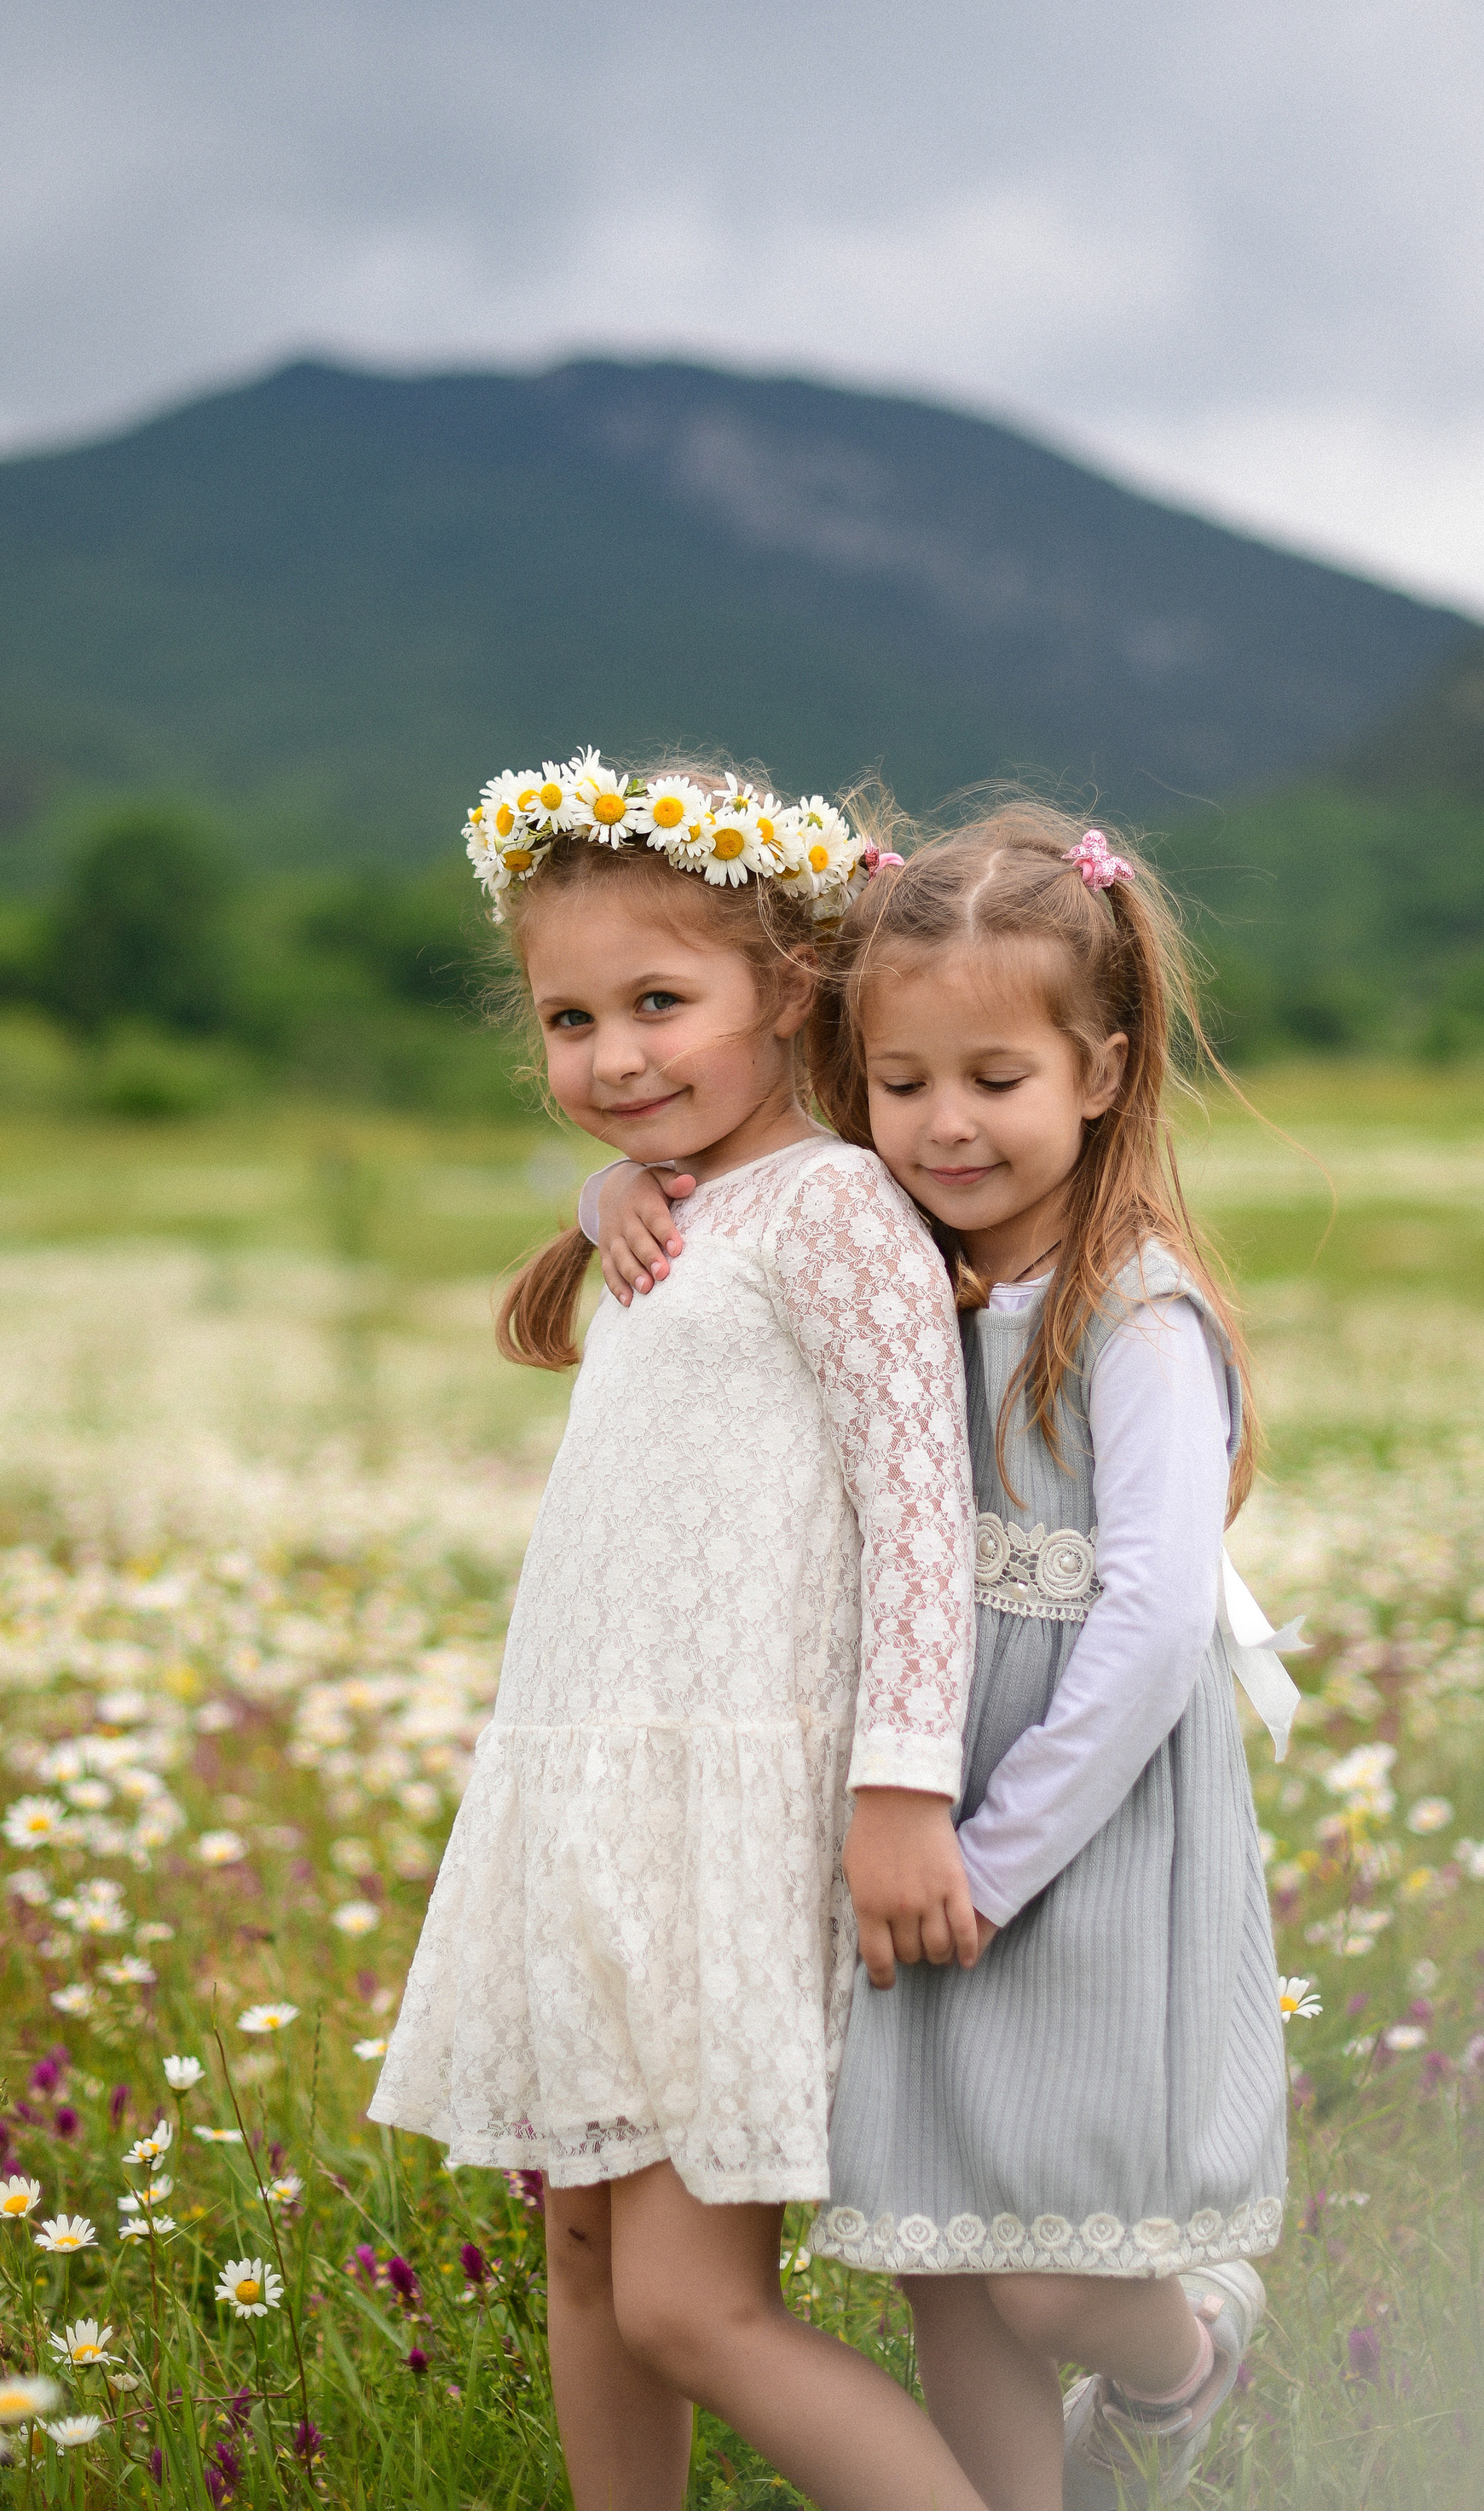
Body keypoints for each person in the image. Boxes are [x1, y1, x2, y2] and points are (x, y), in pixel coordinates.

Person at [592, 803, 1290, 2511]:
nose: (944, 1123)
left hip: (1068, 1827)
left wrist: (996, 1852)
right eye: (901, 1083)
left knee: (1052, 2266)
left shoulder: (1132, 1308)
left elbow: (1149, 1626)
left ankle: (1183, 2355)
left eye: (995, 1077)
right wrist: (618, 1184)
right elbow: (729, 1190)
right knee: (944, 2245)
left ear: (1101, 1070)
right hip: (908, 1802)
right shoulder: (890, 1255)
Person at [371, 752, 1000, 2511]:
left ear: (787, 985)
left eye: (660, 1002)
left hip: (732, 1812)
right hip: (591, 1789)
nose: (615, 1057)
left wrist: (900, 1784)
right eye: (571, 1020)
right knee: (583, 2259)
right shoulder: (675, 1202)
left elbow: (921, 1517)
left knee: (687, 2300)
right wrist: (602, 1198)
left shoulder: (840, 1209)